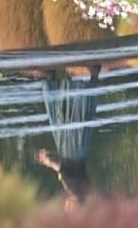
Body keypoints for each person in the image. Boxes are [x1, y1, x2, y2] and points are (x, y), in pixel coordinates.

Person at [34, 64, 100, 209]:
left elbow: (66, 170)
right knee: (74, 115)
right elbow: (65, 170)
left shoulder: (80, 192)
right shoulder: (76, 191)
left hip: (74, 151)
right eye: (69, 209)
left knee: (65, 116)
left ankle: (52, 77)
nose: (65, 207)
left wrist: (48, 160)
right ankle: (52, 77)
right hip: (73, 150)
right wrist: (48, 161)